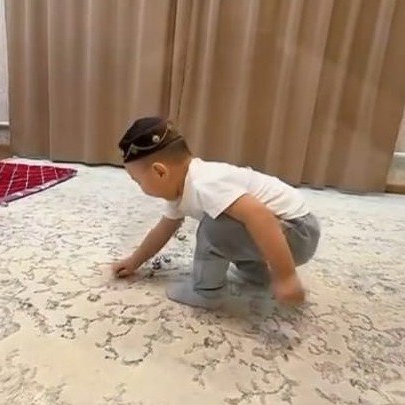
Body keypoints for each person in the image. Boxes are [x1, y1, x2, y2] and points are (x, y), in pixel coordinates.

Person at [111, 117, 320, 308]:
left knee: (213, 228)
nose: (139, 187)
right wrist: (134, 261)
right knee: (229, 227)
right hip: (289, 230)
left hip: (297, 232)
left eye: (138, 181)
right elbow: (163, 229)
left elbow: (260, 216)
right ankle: (259, 276)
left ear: (160, 172)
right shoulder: (182, 188)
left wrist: (286, 277)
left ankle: (206, 292)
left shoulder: (205, 183)